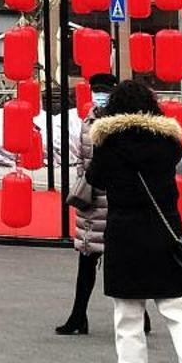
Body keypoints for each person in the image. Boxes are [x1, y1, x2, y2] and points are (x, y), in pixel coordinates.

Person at [86, 78, 182, 363]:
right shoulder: (169, 140)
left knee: (128, 317)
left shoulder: (108, 141)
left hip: (125, 234)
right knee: (179, 312)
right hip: (165, 232)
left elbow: (95, 179)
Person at [56, 73, 118, 336]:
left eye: (104, 90)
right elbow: (81, 158)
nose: (99, 94)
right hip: (92, 201)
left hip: (114, 200)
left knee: (121, 261)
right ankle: (78, 315)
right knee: (87, 260)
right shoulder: (87, 121)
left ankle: (141, 314)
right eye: (96, 90)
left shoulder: (119, 123)